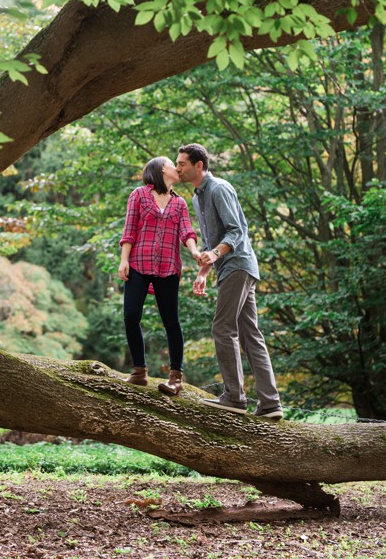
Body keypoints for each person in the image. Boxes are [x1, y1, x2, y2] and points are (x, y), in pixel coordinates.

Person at [175, 143, 284, 420]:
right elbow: (213, 242)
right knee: (250, 335)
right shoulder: (198, 198)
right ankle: (270, 403)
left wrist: (213, 254)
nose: (178, 168)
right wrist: (203, 271)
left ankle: (234, 396)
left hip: (238, 265)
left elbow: (237, 231)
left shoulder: (218, 188)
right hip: (230, 268)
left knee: (223, 328)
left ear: (199, 165)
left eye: (182, 163)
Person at [118, 156, 201, 396]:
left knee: (171, 322)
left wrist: (194, 251)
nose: (176, 167)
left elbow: (186, 231)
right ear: (159, 170)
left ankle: (176, 377)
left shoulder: (180, 203)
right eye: (170, 164)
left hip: (168, 268)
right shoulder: (139, 195)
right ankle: (139, 372)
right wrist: (124, 260)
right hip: (138, 264)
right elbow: (129, 229)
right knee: (131, 315)